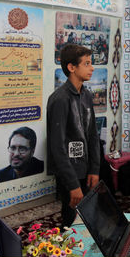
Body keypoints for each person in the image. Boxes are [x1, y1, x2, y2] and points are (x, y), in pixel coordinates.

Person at [47, 44, 100, 228]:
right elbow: (57, 147)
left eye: (91, 63)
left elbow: (93, 135)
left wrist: (94, 169)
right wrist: (72, 184)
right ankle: (70, 255)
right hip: (69, 172)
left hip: (85, 169)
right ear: (71, 67)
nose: (92, 68)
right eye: (86, 63)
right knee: (71, 219)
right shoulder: (60, 99)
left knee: (88, 217)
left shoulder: (86, 95)